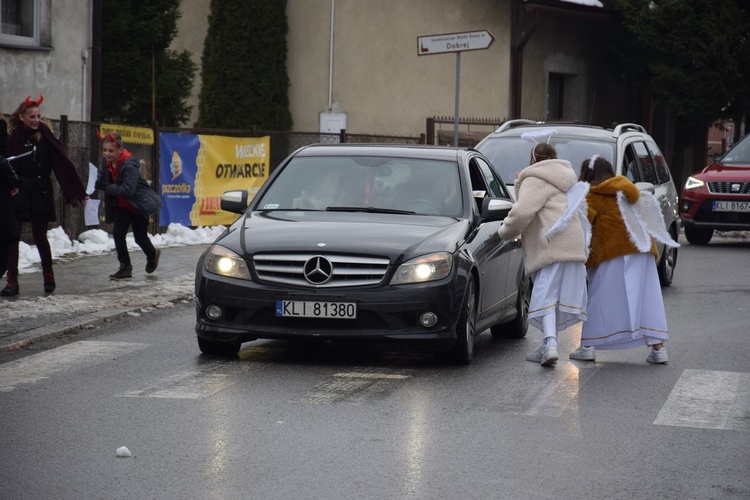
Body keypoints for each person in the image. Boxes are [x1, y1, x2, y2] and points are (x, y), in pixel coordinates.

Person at [574, 155, 678, 364]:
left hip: (612, 251)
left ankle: (587, 346)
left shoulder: (591, 195)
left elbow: (583, 228)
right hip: (642, 250)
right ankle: (658, 349)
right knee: (648, 298)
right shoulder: (628, 190)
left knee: (599, 297)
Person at [497, 142, 589, 366]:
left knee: (545, 294)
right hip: (573, 243)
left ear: (533, 160)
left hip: (550, 243)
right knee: (557, 297)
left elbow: (521, 212)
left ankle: (549, 344)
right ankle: (552, 342)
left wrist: (503, 232)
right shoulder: (565, 176)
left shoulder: (535, 179)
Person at [1, 96, 88, 297]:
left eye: (39, 116)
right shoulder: (13, 138)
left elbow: (62, 164)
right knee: (13, 236)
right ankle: (12, 280)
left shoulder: (46, 136)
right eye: (31, 116)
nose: (36, 120)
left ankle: (48, 275)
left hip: (41, 190)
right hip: (20, 189)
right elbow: (7, 164)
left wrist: (77, 191)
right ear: (21, 117)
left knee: (41, 236)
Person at [95, 132, 160, 280]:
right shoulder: (107, 164)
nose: (107, 154)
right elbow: (102, 179)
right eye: (104, 150)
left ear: (119, 150)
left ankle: (152, 255)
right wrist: (100, 182)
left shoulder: (129, 166)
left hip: (138, 205)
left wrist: (106, 187)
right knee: (118, 234)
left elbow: (128, 190)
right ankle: (125, 267)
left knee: (140, 238)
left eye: (111, 151)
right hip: (122, 206)